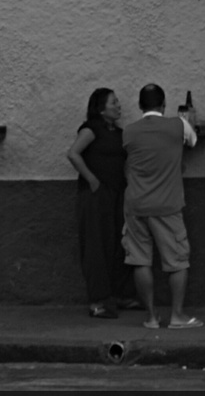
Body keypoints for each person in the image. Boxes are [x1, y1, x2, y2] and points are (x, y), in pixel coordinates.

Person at [121, 83, 201, 329]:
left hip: (135, 204)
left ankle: (152, 317)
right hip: (167, 205)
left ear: (140, 106)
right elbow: (193, 142)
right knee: (177, 261)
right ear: (164, 104)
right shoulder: (178, 125)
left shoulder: (129, 131)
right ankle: (177, 315)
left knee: (140, 260)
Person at [67, 87, 137, 318]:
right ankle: (99, 301)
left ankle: (120, 295)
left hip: (117, 195)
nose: (119, 106)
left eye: (118, 102)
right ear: (100, 108)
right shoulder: (91, 130)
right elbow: (73, 154)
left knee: (118, 244)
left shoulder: (119, 133)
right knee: (97, 246)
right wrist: (92, 180)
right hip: (96, 196)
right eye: (113, 102)